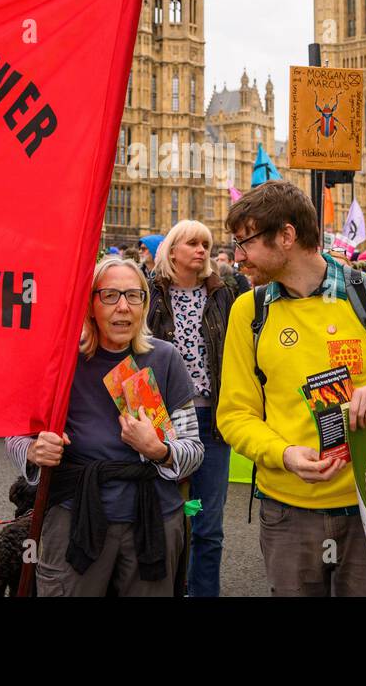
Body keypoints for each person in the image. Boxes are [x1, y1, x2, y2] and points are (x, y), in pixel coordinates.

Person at [218, 181, 366, 596]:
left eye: (245, 242)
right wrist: (283, 454)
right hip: (287, 510)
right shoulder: (249, 311)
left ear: (286, 235)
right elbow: (234, 415)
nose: (238, 256)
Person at [7, 257, 203, 596]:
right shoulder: (63, 360)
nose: (123, 307)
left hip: (153, 517)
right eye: (110, 295)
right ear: (90, 304)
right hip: (75, 514)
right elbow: (15, 436)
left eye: (134, 296)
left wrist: (160, 450)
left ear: (145, 304)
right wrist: (34, 450)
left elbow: (194, 450)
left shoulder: (166, 358)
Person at [146, 220, 234, 597]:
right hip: (161, 420)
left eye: (207, 245)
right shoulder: (149, 294)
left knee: (204, 520)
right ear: (172, 249)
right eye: (193, 243)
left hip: (209, 421)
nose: (201, 250)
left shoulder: (222, 295)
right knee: (166, 516)